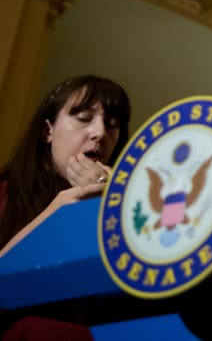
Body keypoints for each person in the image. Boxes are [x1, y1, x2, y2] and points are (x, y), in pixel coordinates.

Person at [0, 75, 131, 259]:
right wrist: (54, 216)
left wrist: (113, 203)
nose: (100, 132)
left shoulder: (126, 198)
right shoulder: (5, 193)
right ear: (48, 132)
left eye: (112, 125)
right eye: (84, 118)